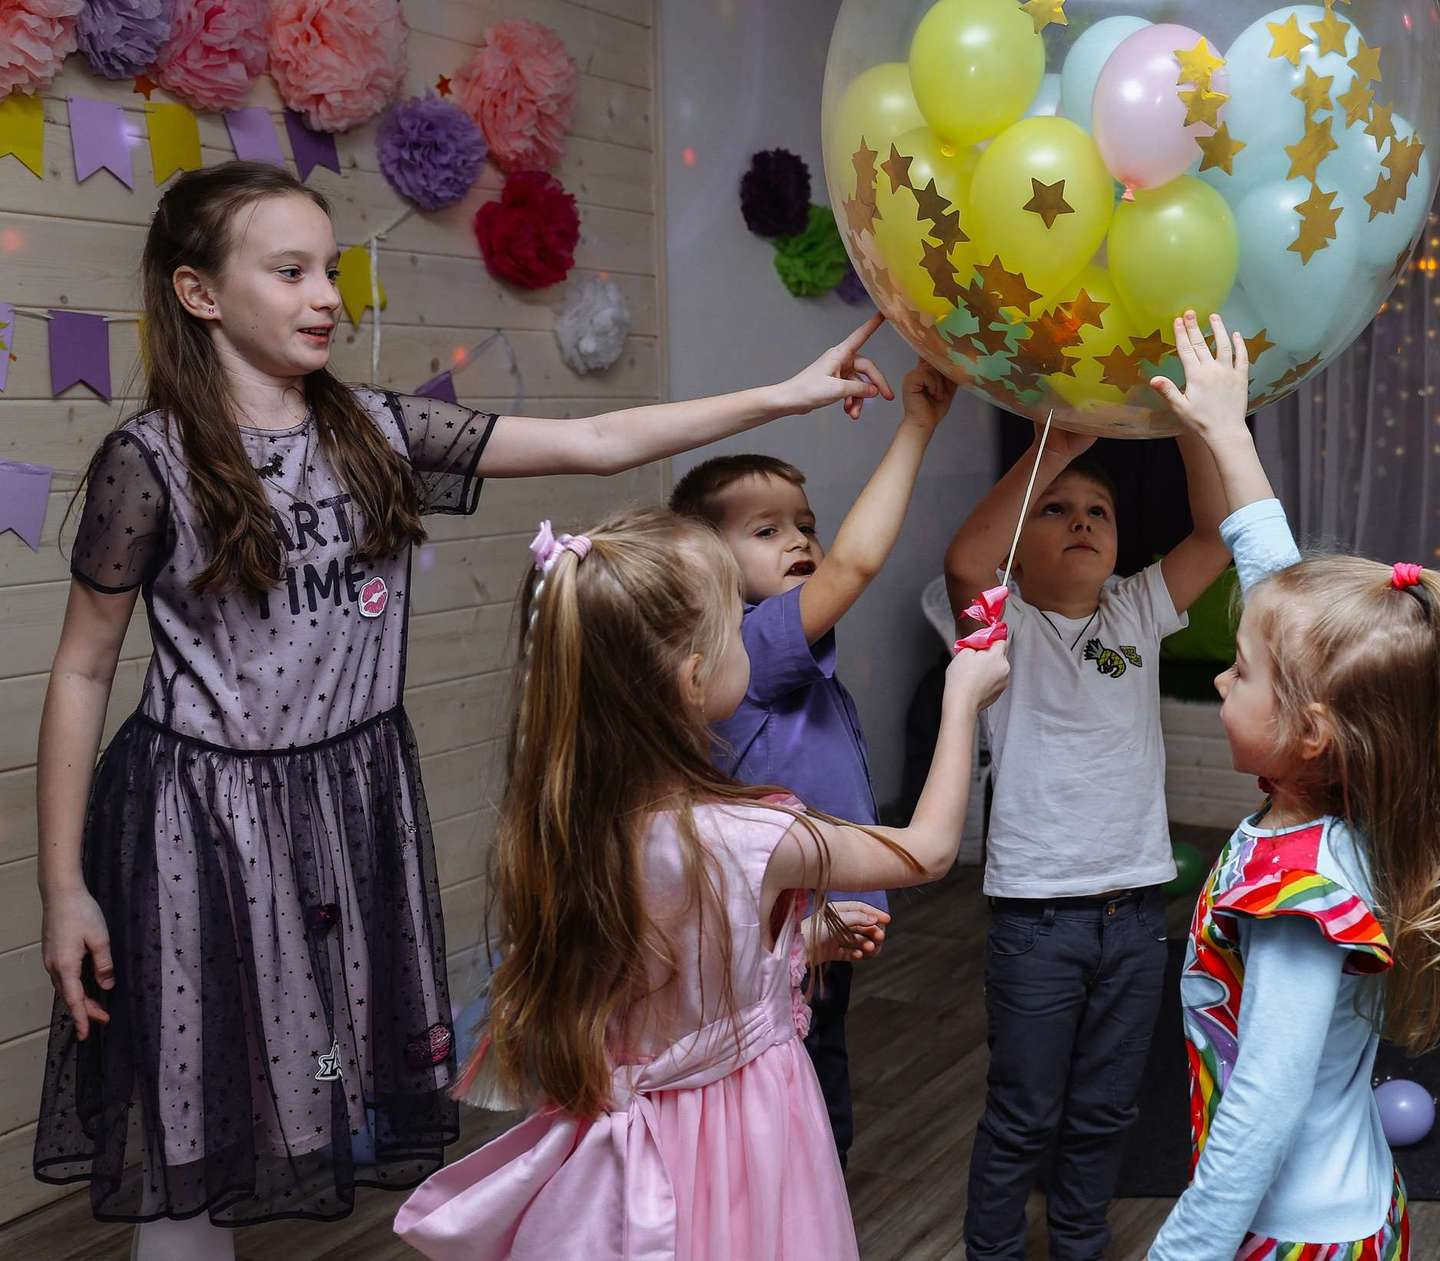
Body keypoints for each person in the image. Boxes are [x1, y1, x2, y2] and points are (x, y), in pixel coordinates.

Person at [34, 160, 893, 1260]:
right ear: (199, 293)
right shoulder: (147, 464)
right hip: (193, 821)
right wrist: (65, 886)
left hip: (341, 807)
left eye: (330, 270)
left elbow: (594, 443)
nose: (324, 297)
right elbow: (81, 670)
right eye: (289, 271)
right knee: (193, 1114)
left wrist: (788, 391)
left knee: (315, 1086)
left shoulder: (375, 434)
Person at [393, 508, 1010, 1259]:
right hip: (738, 1135)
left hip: (623, 1146)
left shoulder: (560, 822)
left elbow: (661, 973)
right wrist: (961, 696)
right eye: (736, 624)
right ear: (693, 675)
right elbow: (929, 850)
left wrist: (796, 939)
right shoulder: (751, 835)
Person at [1142, 314, 1440, 1259]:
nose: (1222, 681)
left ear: (1310, 733)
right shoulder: (1347, 801)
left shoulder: (1294, 899)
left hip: (1291, 1234)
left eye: (1238, 672)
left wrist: (1182, 1250)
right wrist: (1227, 433)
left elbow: (1263, 1108)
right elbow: (1282, 602)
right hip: (1352, 1203)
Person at [943, 319, 1236, 1261]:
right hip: (1036, 919)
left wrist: (1194, 421)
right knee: (1024, 1116)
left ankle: (1077, 1246)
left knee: (1106, 1111)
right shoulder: (1003, 625)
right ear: (1021, 548)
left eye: (1097, 512)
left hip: (1134, 910)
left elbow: (1214, 532)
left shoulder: (1138, 609)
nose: (1078, 521)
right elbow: (964, 560)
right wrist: (1048, 452)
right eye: (1055, 510)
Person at [667, 357, 958, 1166]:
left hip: (817, 923)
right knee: (795, 1085)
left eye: (803, 522)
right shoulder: (747, 644)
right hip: (782, 926)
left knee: (816, 1062)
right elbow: (854, 566)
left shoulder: (772, 641)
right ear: (706, 564)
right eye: (766, 530)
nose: (799, 539)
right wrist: (916, 426)